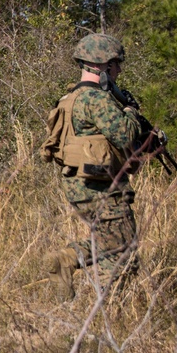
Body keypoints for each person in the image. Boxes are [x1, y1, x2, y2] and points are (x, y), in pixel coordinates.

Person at [41, 34, 142, 302]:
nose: (119, 70)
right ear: (104, 65)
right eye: (117, 64)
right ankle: (110, 310)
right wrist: (131, 110)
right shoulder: (96, 99)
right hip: (101, 188)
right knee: (122, 249)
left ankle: (67, 259)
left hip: (78, 185)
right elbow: (124, 135)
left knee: (109, 241)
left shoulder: (68, 98)